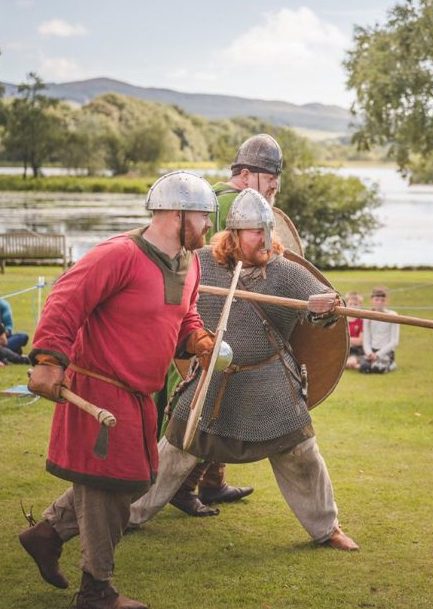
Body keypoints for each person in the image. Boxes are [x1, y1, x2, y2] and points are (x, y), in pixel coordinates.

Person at [18, 171, 217, 609]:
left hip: (141, 396)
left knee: (125, 484)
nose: (208, 226)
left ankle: (46, 534)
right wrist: (49, 360)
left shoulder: (190, 262)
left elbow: (186, 314)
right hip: (100, 391)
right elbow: (66, 298)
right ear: (177, 213)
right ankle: (96, 591)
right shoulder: (118, 254)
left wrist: (198, 339)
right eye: (203, 216)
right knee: (109, 488)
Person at [130, 189, 358, 552]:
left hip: (271, 385)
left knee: (303, 455)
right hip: (213, 377)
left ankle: (326, 528)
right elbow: (168, 295)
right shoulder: (201, 264)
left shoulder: (285, 272)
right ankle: (129, 513)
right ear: (234, 234)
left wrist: (325, 307)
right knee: (174, 450)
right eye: (255, 231)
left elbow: (326, 310)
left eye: (267, 231)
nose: (264, 239)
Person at [163, 133, 283, 517]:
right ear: (246, 175)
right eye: (269, 181)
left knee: (223, 402)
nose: (273, 190)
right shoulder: (233, 204)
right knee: (209, 405)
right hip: (212, 316)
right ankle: (178, 488)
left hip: (202, 312)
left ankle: (212, 484)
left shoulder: (207, 199)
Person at [359, 287, 399, 373]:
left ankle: (390, 364)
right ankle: (374, 363)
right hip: (372, 351)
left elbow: (394, 341)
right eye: (377, 300)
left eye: (382, 300)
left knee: (378, 368)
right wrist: (369, 353)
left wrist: (378, 355)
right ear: (372, 300)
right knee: (364, 367)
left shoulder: (393, 315)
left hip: (385, 352)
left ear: (386, 301)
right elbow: (366, 339)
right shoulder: (367, 316)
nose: (379, 302)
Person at [345, 291, 365, 370]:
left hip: (355, 350)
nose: (353, 306)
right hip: (344, 349)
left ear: (360, 306)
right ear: (346, 305)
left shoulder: (361, 321)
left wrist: (346, 339)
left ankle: (359, 364)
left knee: (351, 363)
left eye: (355, 304)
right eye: (350, 304)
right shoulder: (343, 320)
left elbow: (360, 341)